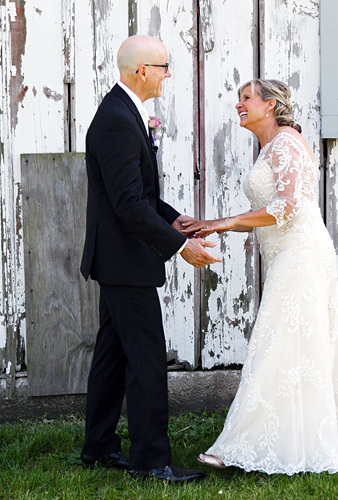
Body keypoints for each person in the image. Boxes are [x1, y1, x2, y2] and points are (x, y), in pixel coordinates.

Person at [183, 79, 338, 474]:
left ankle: (239, 445)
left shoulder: (286, 142)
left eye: (246, 98)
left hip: (302, 254)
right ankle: (298, 440)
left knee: (273, 345)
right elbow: (267, 212)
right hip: (289, 254)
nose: (239, 105)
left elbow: (288, 206)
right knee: (294, 350)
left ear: (270, 105)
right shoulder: (272, 146)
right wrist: (211, 226)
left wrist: (227, 220)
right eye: (238, 98)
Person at [79, 34, 221, 483]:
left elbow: (141, 196)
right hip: (125, 261)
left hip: (118, 259)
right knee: (145, 359)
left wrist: (177, 220)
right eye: (163, 67)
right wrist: (179, 247)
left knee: (113, 355)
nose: (168, 75)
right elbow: (127, 204)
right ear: (142, 71)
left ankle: (99, 447)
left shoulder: (122, 113)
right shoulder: (119, 119)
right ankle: (150, 460)